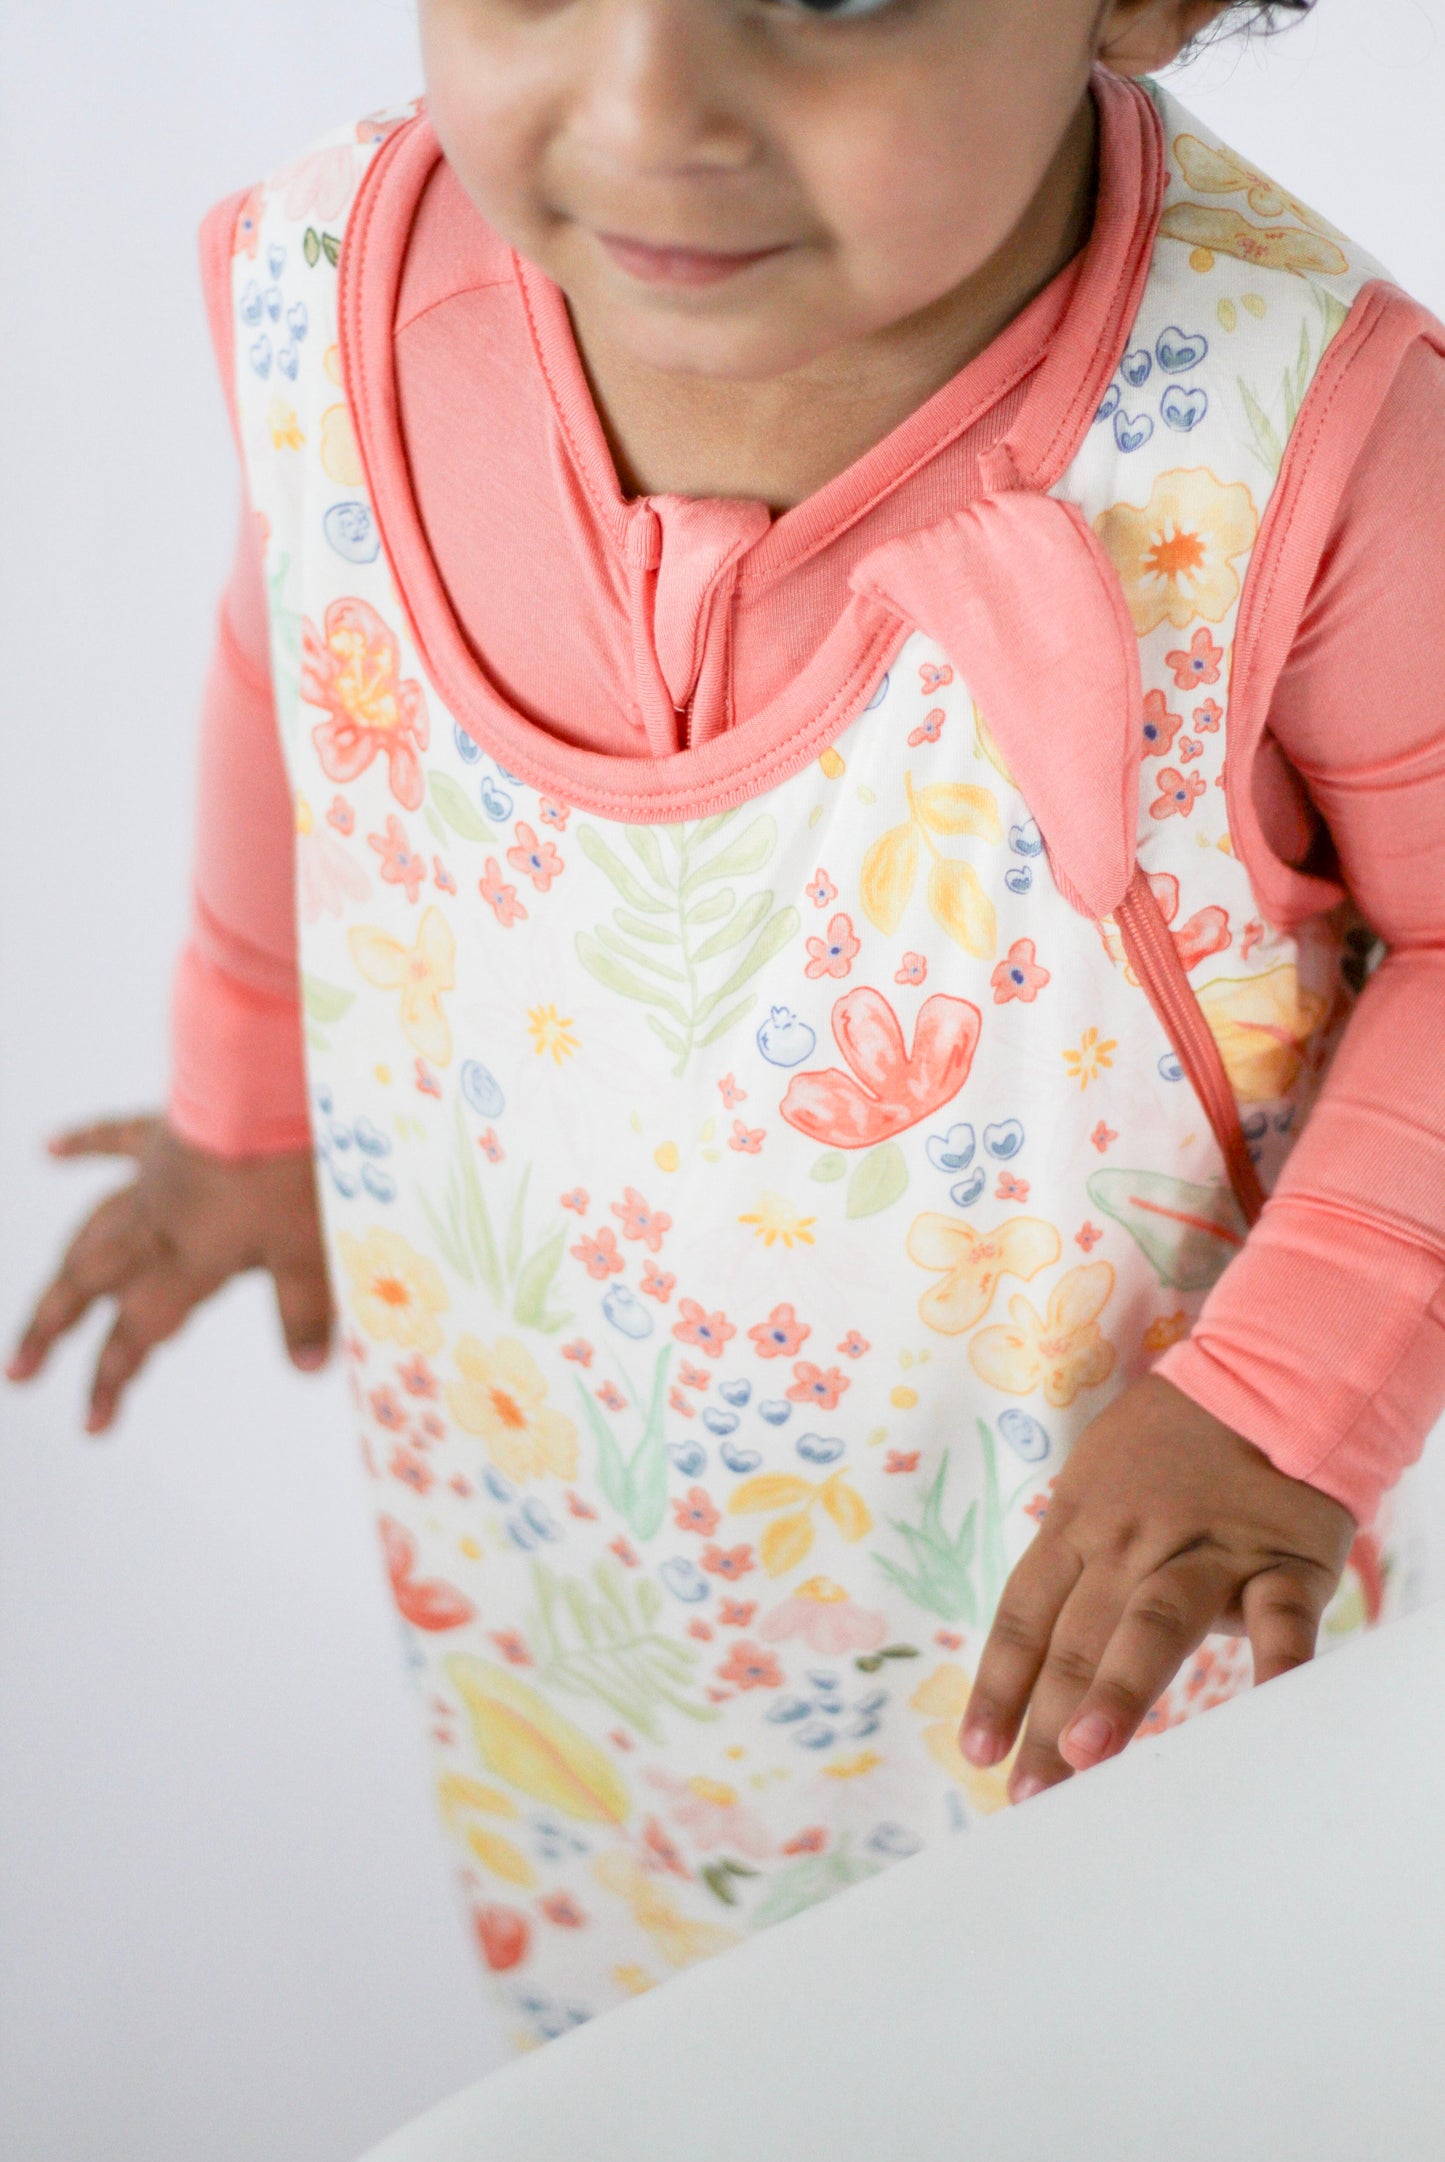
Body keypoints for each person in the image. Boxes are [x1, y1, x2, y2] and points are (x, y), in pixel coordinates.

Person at [8, 0, 1445, 2051]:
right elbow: (304, 648)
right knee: (686, 2053)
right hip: (576, 1566)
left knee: (1097, 2045)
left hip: (1103, 1586)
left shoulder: (1293, 439)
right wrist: (244, 1090)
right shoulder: (351, 298)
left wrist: (1279, 1406)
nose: (649, 100)